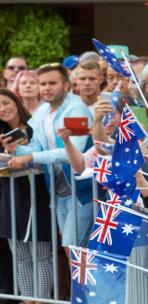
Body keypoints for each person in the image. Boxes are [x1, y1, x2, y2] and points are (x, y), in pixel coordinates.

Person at [3, 63, 94, 249]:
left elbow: (74, 153)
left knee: (73, 247)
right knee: (70, 248)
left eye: (52, 83)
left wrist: (30, 157)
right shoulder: (41, 112)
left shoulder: (77, 109)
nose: (46, 88)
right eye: (43, 84)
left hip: (82, 190)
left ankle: (80, 280)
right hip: (57, 190)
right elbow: (36, 147)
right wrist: (15, 150)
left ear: (66, 86)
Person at [0, 89, 52, 302]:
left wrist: (25, 152)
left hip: (37, 196)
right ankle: (28, 299)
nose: (3, 108)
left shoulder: (35, 127)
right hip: (10, 197)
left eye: (6, 102)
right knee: (20, 256)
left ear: (16, 101)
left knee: (40, 255)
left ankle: (41, 300)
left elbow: (46, 156)